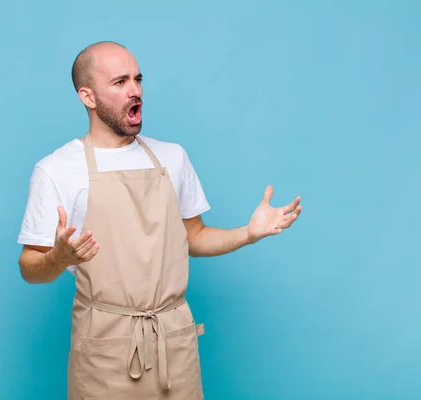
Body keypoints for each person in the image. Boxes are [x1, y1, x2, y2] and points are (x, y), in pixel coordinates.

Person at [17, 41, 302, 399]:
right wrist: (58, 258)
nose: (135, 91)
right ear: (87, 97)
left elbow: (194, 237)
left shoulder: (173, 157)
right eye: (120, 82)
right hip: (104, 348)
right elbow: (29, 267)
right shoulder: (56, 170)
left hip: (174, 342)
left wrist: (248, 233)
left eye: (138, 80)